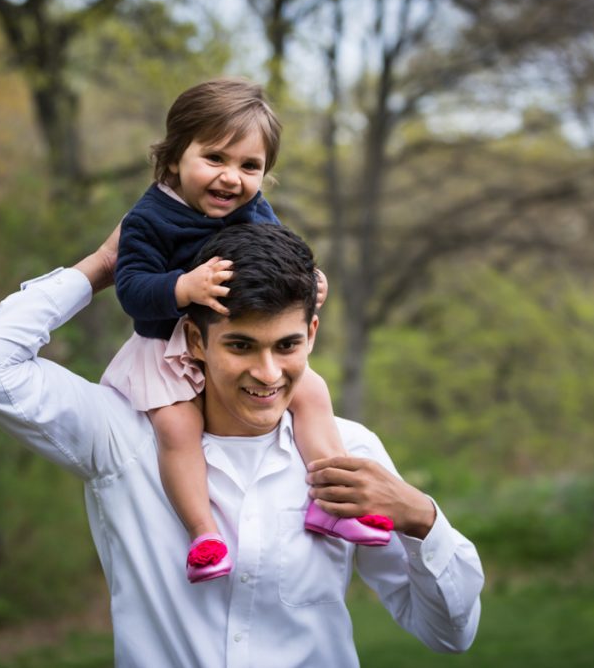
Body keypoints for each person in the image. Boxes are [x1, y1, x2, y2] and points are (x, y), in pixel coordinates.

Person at [0, 222, 484, 667]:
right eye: (242, 345)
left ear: (312, 333)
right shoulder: (123, 439)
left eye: (288, 345)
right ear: (197, 340)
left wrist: (420, 518)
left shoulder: (349, 450)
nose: (268, 372)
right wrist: (105, 265)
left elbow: (448, 633)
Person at [101, 78, 389, 584]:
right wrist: (182, 287)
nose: (231, 178)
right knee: (177, 428)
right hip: (166, 347)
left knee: (314, 393)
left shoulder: (252, 211)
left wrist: (309, 282)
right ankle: (204, 534)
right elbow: (131, 290)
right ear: (173, 159)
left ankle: (330, 503)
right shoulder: (148, 219)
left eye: (249, 166)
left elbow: (282, 260)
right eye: (215, 159)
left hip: (235, 345)